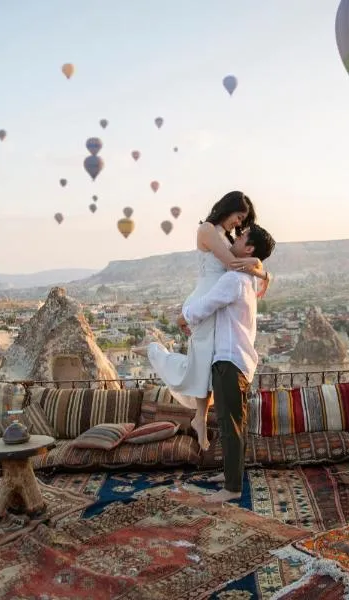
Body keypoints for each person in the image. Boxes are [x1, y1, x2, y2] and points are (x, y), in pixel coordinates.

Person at [140, 191, 271, 451]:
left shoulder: (225, 236)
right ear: (229, 208)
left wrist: (261, 269)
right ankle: (159, 356)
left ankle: (199, 418)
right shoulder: (208, 229)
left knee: (207, 360)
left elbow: (237, 264)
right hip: (205, 300)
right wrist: (262, 268)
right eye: (239, 216)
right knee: (200, 361)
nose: (239, 223)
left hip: (215, 301)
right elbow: (234, 264)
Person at [177, 223, 275, 502]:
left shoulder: (234, 280)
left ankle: (232, 488)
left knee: (229, 424)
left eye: (242, 236)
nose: (236, 237)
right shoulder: (248, 279)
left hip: (229, 359)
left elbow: (205, 304)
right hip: (239, 360)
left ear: (249, 247)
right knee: (235, 423)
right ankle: (231, 474)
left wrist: (182, 316)